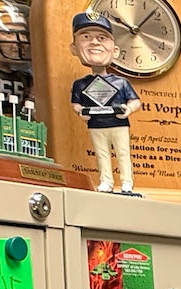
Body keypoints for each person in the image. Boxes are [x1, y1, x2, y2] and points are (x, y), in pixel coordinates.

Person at [67, 11, 138, 195]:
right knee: (102, 155)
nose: (95, 42)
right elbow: (75, 104)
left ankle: (126, 183)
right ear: (74, 48)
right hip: (96, 125)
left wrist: (128, 109)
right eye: (86, 37)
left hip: (119, 123)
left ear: (115, 50)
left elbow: (135, 101)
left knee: (123, 154)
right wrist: (81, 111)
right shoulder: (80, 84)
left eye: (101, 38)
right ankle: (106, 181)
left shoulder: (120, 82)